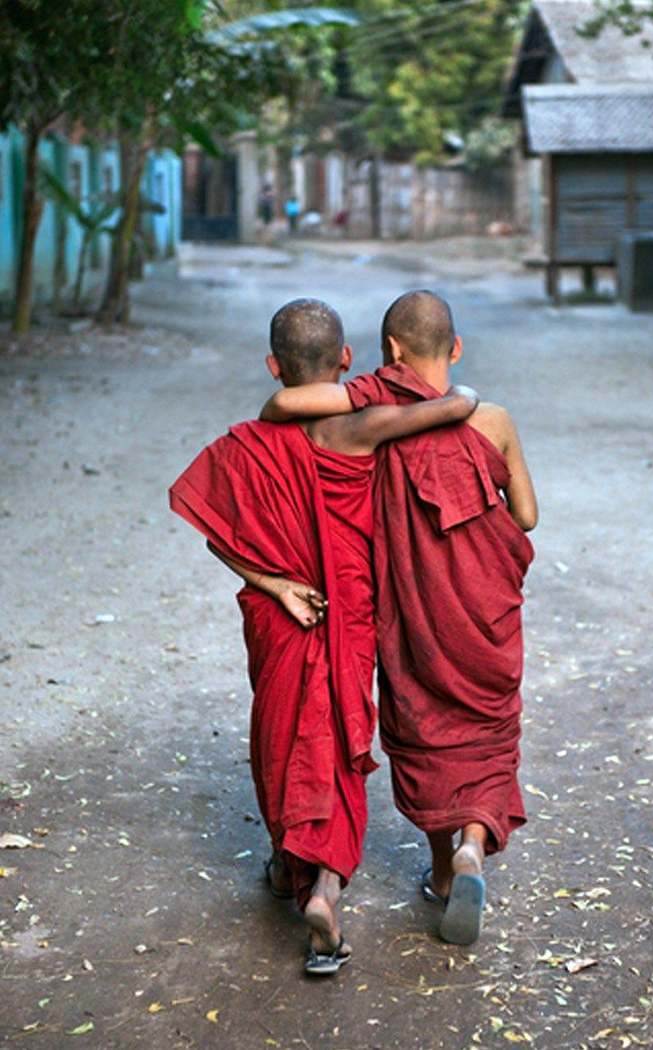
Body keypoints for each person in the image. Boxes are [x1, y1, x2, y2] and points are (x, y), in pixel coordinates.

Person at [169, 298, 478, 975]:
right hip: (344, 613)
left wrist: (275, 583)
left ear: (274, 366)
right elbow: (450, 411)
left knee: (282, 735)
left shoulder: (247, 443)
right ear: (345, 361)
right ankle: (327, 887)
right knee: (333, 738)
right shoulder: (359, 430)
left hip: (282, 614)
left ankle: (288, 865)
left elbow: (216, 531)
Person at [260, 290, 538, 946]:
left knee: (428, 726)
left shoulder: (373, 419)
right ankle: (468, 852)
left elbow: (288, 410)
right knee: (484, 732)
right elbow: (524, 516)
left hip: (415, 614)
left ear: (388, 353)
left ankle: (445, 867)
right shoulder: (492, 421)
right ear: (457, 348)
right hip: (484, 612)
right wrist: (463, 404)